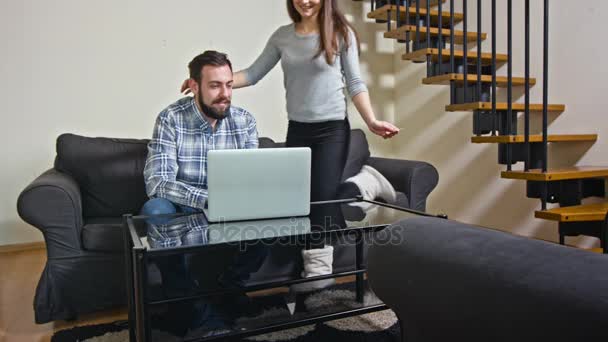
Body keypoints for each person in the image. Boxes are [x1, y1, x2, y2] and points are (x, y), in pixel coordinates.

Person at [143, 50, 258, 215]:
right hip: (181, 205)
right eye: (215, 86)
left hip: (230, 206)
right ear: (194, 86)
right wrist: (208, 199)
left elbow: (251, 179)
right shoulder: (170, 118)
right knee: (156, 209)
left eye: (229, 85)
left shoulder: (246, 121)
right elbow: (158, 183)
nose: (225, 94)